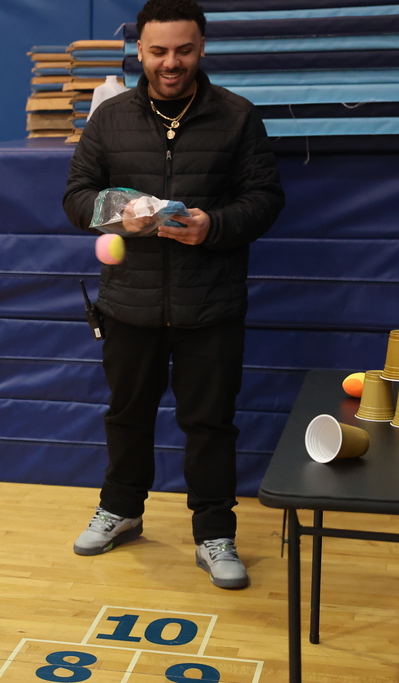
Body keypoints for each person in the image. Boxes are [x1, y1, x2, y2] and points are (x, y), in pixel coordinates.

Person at [62, 0, 284, 589]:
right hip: (127, 304)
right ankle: (123, 511)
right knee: (127, 415)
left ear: (202, 47)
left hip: (210, 305)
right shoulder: (109, 119)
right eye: (159, 51)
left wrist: (213, 226)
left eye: (183, 50)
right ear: (139, 50)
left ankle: (215, 534)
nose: (171, 63)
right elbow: (77, 196)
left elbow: (265, 200)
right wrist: (118, 214)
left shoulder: (237, 117)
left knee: (210, 423)